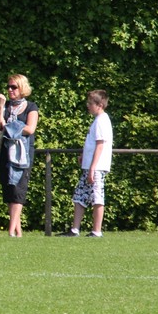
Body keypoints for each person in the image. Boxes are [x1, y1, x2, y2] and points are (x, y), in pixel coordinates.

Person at [59, 90, 113, 238]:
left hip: (96, 168)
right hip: (90, 167)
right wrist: (84, 156)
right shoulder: (97, 120)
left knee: (97, 197)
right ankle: (75, 229)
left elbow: (100, 145)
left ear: (99, 105)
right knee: (80, 197)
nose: (88, 106)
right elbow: (93, 143)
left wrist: (92, 168)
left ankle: (97, 231)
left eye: (90, 103)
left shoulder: (102, 121)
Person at [0, 74, 39, 237]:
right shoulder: (6, 107)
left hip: (22, 154)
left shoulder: (31, 107)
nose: (10, 90)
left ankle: (11, 230)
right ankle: (18, 231)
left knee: (19, 190)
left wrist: (9, 126)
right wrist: (0, 107)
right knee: (9, 190)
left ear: (22, 88)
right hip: (5, 152)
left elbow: (30, 129)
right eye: (9, 87)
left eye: (14, 87)